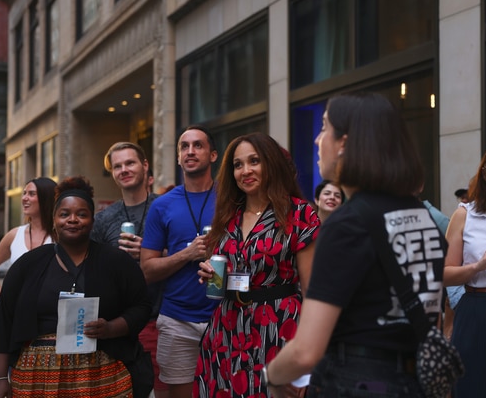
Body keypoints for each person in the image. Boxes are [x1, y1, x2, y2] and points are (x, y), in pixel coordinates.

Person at [264, 92, 445, 397]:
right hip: (412, 382)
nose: (317, 140)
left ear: (344, 143)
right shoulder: (420, 215)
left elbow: (306, 351)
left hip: (356, 381)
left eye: (324, 128)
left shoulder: (348, 224)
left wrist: (272, 375)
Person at [0, 176, 152, 398]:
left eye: (82, 214)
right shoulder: (28, 265)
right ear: (54, 220)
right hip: (37, 376)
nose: (73, 220)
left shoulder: (116, 262)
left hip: (101, 374)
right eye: (64, 214)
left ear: (92, 221)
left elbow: (141, 306)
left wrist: (112, 328)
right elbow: (3, 321)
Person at [195, 133, 320, 397]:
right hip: (227, 331)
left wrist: (309, 358)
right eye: (238, 165)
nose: (245, 171)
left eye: (254, 161)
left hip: (279, 329)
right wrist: (210, 272)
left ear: (271, 163)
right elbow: (227, 266)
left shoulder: (299, 213)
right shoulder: (228, 216)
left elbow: (312, 290)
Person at [140, 125, 220, 398]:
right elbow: (147, 270)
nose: (190, 151)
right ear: (177, 158)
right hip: (177, 318)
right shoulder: (162, 205)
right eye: (184, 147)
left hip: (227, 315)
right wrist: (187, 254)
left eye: (198, 145)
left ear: (213, 155)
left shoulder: (232, 200)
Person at [91, 141, 165, 398]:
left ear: (145, 166)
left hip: (164, 318)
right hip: (121, 325)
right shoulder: (102, 219)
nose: (124, 169)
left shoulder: (167, 207)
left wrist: (154, 253)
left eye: (130, 163)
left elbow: (189, 257)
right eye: (117, 166)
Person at [444, 144, 486, 398]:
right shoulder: (465, 215)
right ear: (484, 175)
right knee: (473, 385)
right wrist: (477, 267)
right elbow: (443, 273)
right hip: (477, 304)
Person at [0, 177, 57, 297]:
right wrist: (3, 298)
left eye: (31, 194)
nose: (24, 198)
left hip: (52, 311)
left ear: (46, 198)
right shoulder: (15, 235)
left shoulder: (60, 236)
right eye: (24, 193)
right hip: (18, 311)